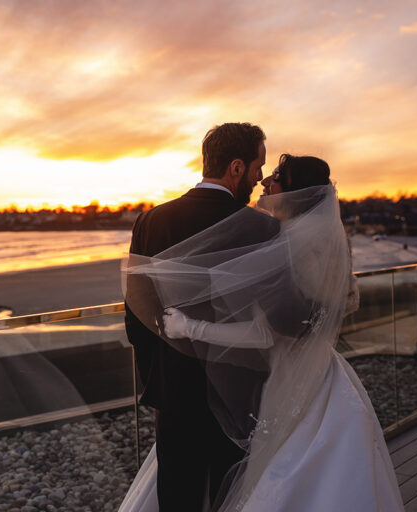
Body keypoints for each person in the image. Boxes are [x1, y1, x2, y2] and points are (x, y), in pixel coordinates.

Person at [120, 153, 404, 511]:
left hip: (278, 377)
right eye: (264, 171)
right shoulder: (309, 237)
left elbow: (268, 333)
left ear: (296, 193)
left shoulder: (285, 242)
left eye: (276, 176)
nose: (265, 181)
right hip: (311, 371)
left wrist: (188, 328)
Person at [123, 122, 281, 511]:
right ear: (236, 167)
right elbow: (272, 315)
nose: (259, 178)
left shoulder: (152, 220)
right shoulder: (262, 227)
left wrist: (160, 373)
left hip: (174, 389)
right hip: (239, 391)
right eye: (257, 167)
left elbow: (136, 314)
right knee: (234, 496)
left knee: (178, 496)